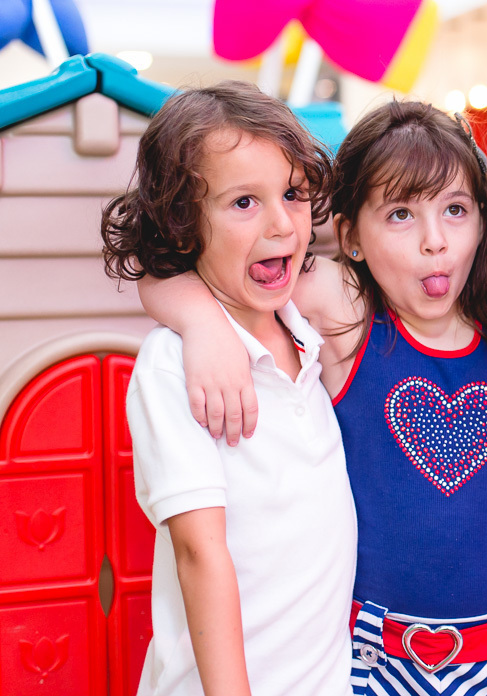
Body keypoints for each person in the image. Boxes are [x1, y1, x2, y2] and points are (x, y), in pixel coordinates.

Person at [139, 100, 487, 696]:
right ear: (351, 238)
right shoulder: (348, 312)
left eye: (456, 210)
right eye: (402, 214)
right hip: (377, 656)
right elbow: (193, 274)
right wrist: (200, 322)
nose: (435, 242)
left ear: (484, 222)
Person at [100, 82, 357, 696]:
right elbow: (199, 554)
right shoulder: (175, 364)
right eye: (244, 201)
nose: (280, 223)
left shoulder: (307, 326)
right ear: (184, 225)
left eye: (293, 194)